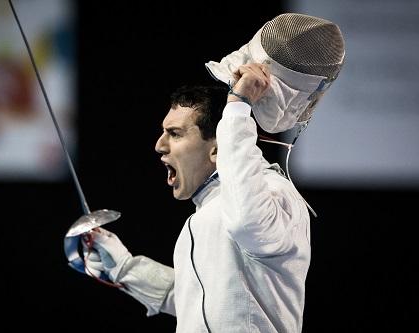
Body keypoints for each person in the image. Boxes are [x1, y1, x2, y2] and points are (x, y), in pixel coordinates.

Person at [82, 63, 311, 333]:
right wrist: (124, 267)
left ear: (217, 148)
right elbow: (198, 300)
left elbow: (246, 222)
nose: (159, 145)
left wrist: (239, 107)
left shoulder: (273, 193)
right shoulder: (210, 211)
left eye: (175, 134)